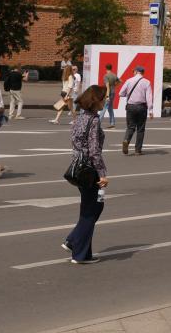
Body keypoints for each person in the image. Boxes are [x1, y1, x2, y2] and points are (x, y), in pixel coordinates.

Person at [64, 85, 110, 264]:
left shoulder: (79, 118)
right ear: (95, 100)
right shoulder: (94, 121)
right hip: (90, 169)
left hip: (78, 168)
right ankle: (73, 241)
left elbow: (75, 143)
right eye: (103, 98)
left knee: (87, 209)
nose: (105, 101)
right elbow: (94, 151)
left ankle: (83, 253)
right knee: (94, 209)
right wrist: (102, 174)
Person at [119, 66, 153, 155]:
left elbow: (121, 93)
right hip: (142, 107)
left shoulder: (129, 80)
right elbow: (149, 97)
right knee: (140, 129)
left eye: (133, 71)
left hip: (130, 106)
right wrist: (151, 110)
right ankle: (138, 150)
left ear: (136, 72)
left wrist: (129, 94)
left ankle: (126, 140)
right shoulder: (147, 82)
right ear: (142, 73)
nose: (133, 72)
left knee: (130, 127)